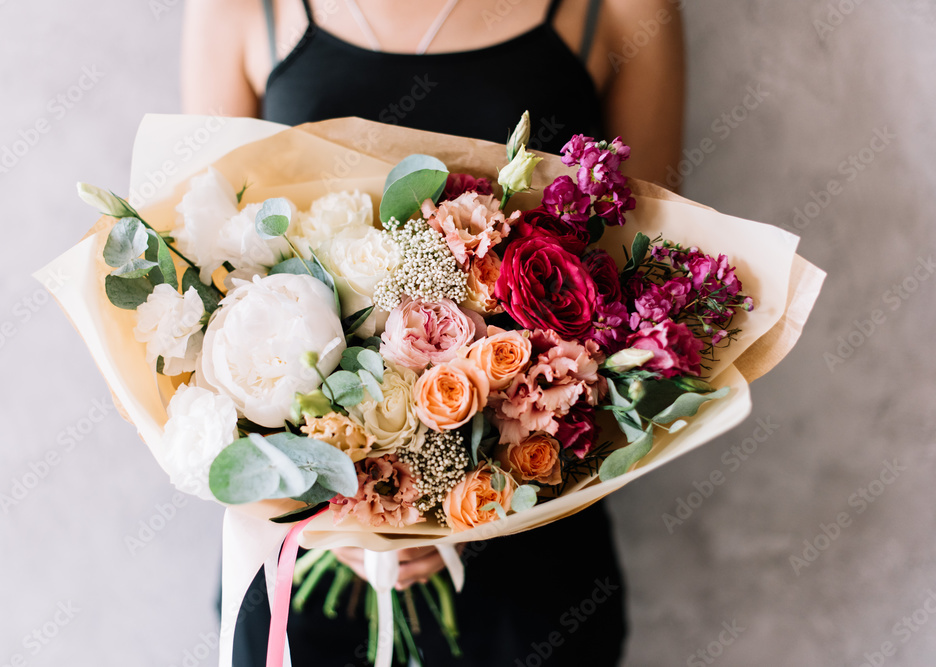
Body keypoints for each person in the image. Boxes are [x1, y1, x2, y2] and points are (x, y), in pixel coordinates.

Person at [182, 0, 684, 664]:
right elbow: (204, 263)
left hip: (531, 566)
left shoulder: (622, 9)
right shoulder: (242, 10)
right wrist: (344, 508)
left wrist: (475, 500)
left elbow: (644, 284)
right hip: (303, 574)